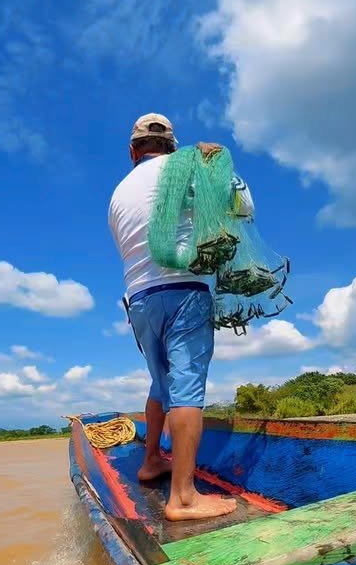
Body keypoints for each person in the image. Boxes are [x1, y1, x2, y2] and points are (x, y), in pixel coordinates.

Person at [108, 113, 252, 522]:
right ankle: (184, 498)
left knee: (161, 382)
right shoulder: (189, 168)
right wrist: (216, 165)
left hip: (138, 299)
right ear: (173, 146)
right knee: (187, 387)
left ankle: (151, 459)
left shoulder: (117, 194)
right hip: (185, 290)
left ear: (133, 151)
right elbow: (244, 206)